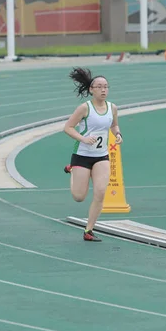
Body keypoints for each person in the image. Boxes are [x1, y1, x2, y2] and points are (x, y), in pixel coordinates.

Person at [62, 68, 123, 242]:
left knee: (101, 191)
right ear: (91, 89)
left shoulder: (113, 108)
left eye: (106, 87)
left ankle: (88, 230)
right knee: (79, 197)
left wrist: (118, 134)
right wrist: (83, 138)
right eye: (99, 87)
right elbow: (67, 127)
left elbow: (114, 126)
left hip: (101, 155)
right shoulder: (84, 108)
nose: (103, 90)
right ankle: (71, 169)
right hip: (82, 155)